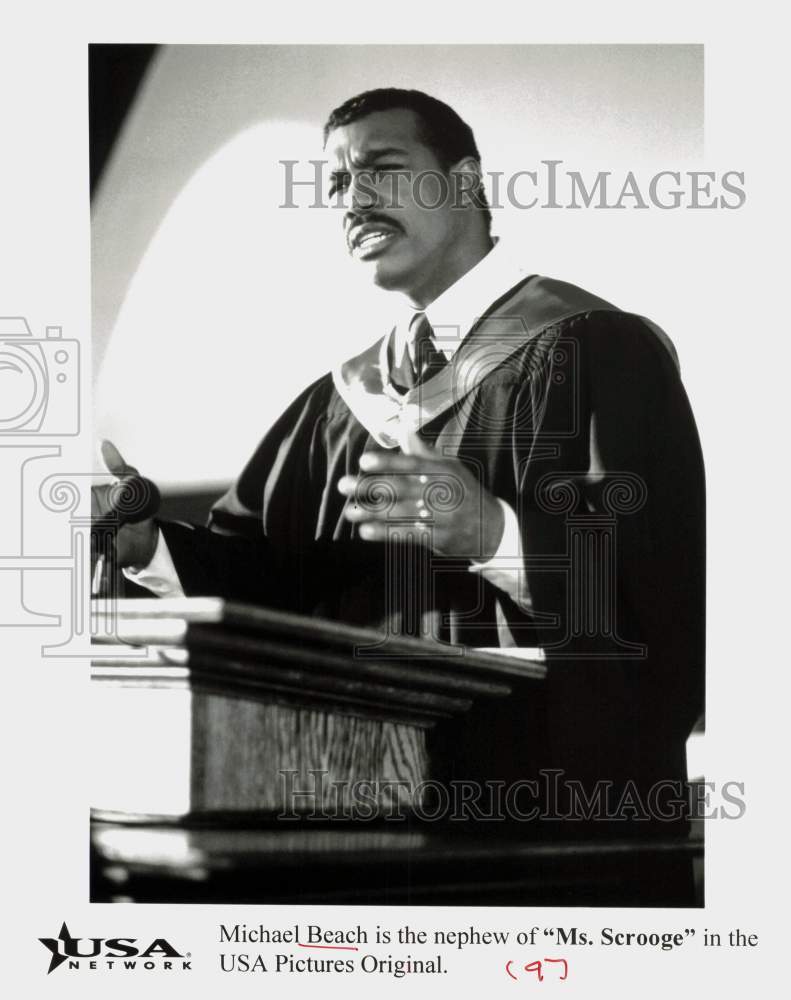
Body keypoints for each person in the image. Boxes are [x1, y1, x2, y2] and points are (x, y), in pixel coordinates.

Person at [95, 88, 705, 823]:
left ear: (466, 180)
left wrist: (496, 537)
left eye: (381, 167)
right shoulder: (336, 404)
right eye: (336, 185)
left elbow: (664, 594)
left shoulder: (599, 352)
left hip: (543, 816)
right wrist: (144, 545)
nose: (353, 200)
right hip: (358, 808)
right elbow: (262, 575)